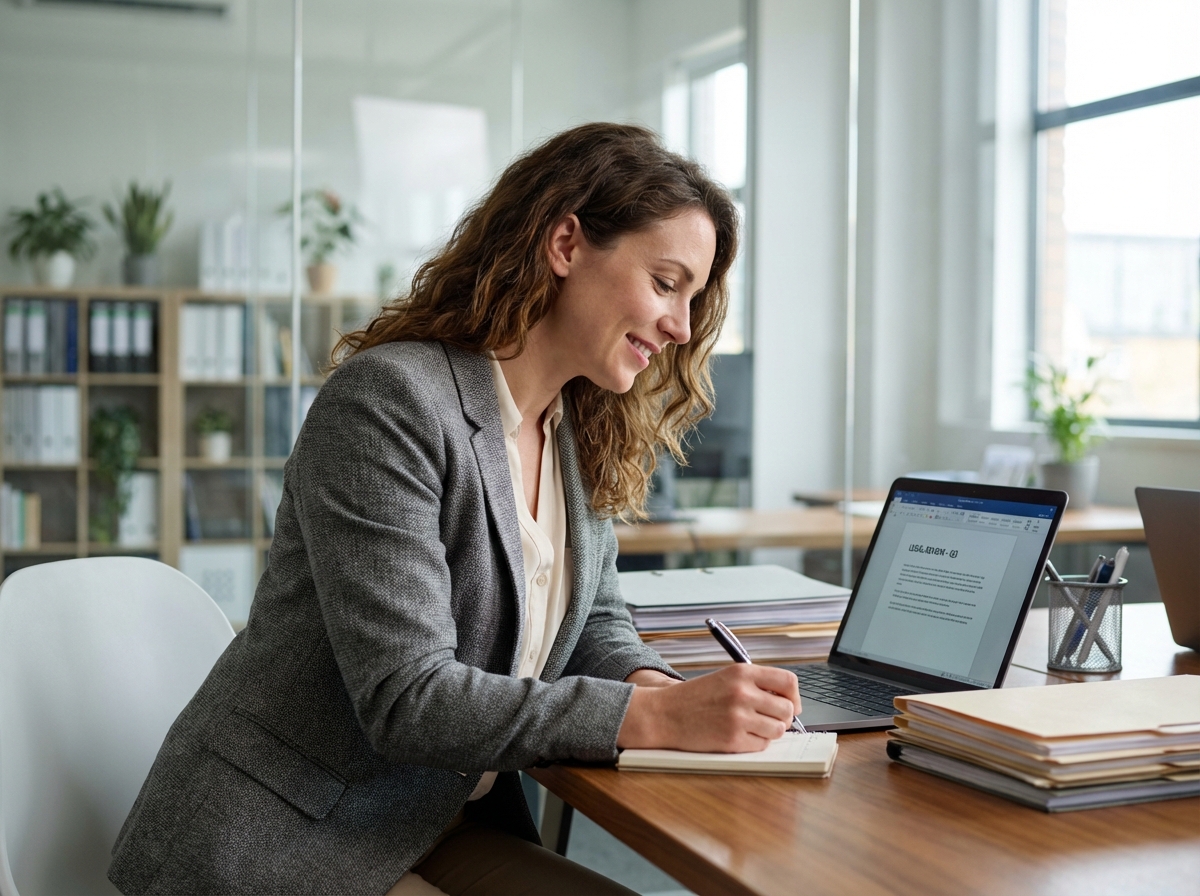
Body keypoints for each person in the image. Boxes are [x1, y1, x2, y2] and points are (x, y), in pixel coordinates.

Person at [108, 122, 802, 896]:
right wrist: (654, 723)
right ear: (566, 245)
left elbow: (594, 623)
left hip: (424, 818)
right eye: (666, 282)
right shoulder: (391, 403)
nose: (680, 326)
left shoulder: (574, 426)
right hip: (284, 838)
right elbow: (408, 698)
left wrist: (659, 688)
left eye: (693, 298)